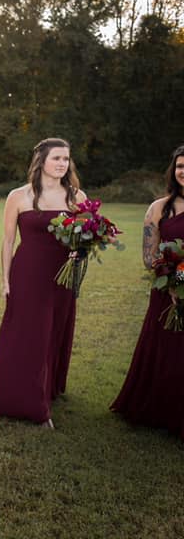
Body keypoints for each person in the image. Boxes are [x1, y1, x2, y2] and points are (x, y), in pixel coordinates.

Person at [0, 138, 86, 428]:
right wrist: (5, 280)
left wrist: (82, 247)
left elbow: (86, 234)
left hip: (63, 275)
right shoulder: (19, 196)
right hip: (28, 273)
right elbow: (8, 241)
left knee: (54, 330)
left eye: (66, 159)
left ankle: (46, 387)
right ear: (41, 161)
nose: (62, 164)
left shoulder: (76, 196)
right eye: (57, 158)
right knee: (29, 334)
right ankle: (30, 403)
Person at [111, 145, 184, 439]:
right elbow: (148, 254)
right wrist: (171, 280)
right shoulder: (159, 208)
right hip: (165, 290)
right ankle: (155, 409)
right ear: (173, 170)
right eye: (180, 166)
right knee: (163, 351)